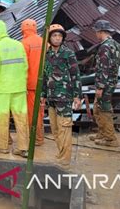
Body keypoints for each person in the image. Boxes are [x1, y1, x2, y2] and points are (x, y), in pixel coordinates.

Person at [0, 20, 29, 158]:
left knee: (2, 117)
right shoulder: (19, 45)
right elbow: (25, 67)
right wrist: (23, 83)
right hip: (19, 87)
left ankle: (2, 146)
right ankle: (23, 148)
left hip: (3, 89)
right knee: (21, 117)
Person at [41, 24, 82, 168]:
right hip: (51, 98)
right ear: (50, 38)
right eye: (54, 36)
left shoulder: (68, 53)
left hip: (64, 97)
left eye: (59, 36)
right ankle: (61, 153)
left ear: (63, 38)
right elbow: (45, 76)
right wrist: (43, 95)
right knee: (55, 128)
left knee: (64, 128)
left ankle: (65, 159)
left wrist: (77, 96)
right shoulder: (47, 55)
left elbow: (75, 75)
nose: (57, 38)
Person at [90, 20, 120, 147]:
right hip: (111, 82)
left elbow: (104, 68)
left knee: (104, 110)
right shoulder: (116, 44)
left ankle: (110, 139)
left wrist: (100, 87)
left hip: (105, 84)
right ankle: (102, 133)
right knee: (98, 108)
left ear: (100, 31)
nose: (96, 34)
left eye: (96, 32)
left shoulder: (105, 47)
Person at [21, 19, 45, 146]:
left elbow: (23, 67)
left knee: (32, 112)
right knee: (40, 110)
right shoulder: (44, 41)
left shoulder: (24, 43)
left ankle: (37, 138)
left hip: (30, 84)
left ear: (23, 29)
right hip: (42, 84)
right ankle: (40, 136)